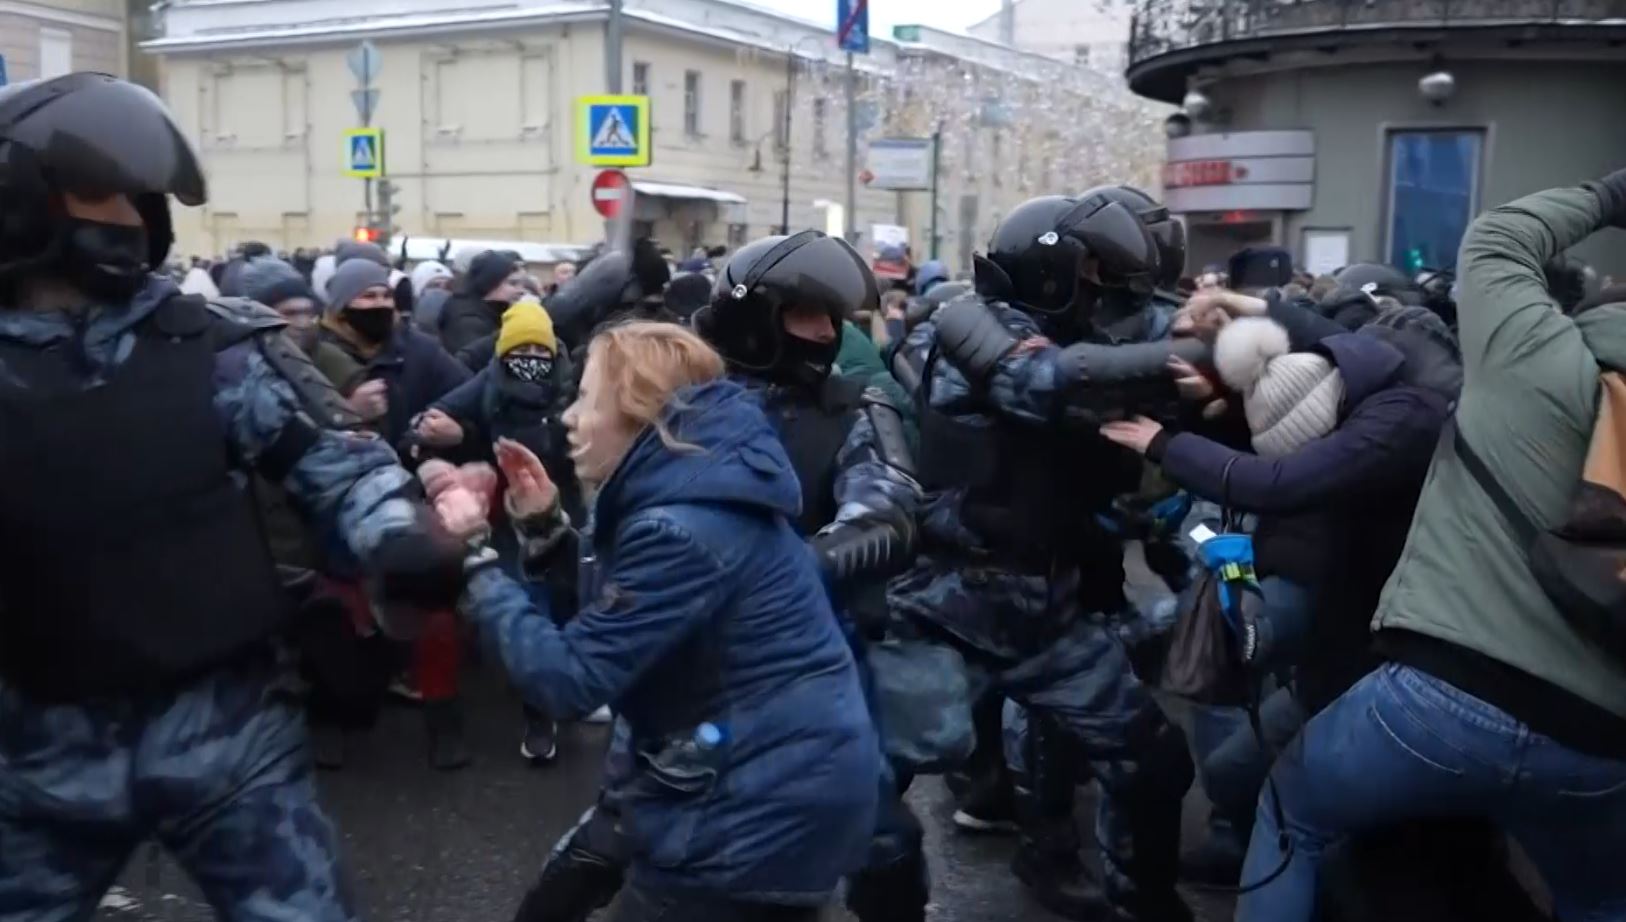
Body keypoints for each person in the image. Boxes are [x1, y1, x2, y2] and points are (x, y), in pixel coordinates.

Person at [0, 72, 470, 920]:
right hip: (33, 755)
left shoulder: (215, 349)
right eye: (104, 193)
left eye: (141, 198)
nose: (131, 219)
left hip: (223, 735)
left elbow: (344, 465)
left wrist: (400, 537)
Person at [1233, 171, 1626, 922]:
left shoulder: (1535, 353)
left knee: (1292, 812)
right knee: (1603, 896)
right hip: (1602, 739)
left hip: (1437, 702)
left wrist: (1611, 196)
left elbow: (1500, 237)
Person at [513, 232, 925, 922]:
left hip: (793, 673)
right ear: (756, 314)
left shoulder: (856, 409)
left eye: (834, 319)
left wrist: (773, 576)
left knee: (886, 839)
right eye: (806, 316)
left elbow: (888, 515)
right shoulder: (678, 393)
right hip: (672, 664)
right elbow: (621, 536)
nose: (825, 334)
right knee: (607, 838)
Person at [434, 322, 880, 922]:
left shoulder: (681, 526)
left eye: (588, 400)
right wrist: (544, 527)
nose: (569, 417)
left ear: (642, 415)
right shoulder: (693, 490)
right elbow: (635, 609)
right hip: (758, 777)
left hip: (752, 810)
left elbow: (569, 680)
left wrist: (474, 556)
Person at [887, 192, 1202, 921]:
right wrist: (1196, 353)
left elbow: (1128, 353)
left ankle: (1140, 904)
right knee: (866, 781)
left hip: (1046, 609)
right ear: (1053, 265)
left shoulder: (1072, 337)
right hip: (948, 608)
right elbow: (1045, 386)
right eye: (1092, 271)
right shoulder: (973, 324)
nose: (1102, 290)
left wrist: (1234, 328)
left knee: (1152, 765)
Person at [317, 257, 475, 769]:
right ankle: (337, 717)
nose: (381, 306)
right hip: (337, 498)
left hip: (411, 494)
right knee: (339, 613)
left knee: (434, 604)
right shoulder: (313, 356)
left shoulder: (418, 351)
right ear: (340, 307)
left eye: (386, 295)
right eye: (367, 298)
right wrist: (347, 411)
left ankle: (443, 717)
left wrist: (457, 432)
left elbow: (468, 398)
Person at [417, 300, 581, 764]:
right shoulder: (488, 383)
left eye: (538, 350)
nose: (529, 361)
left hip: (561, 508)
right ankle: (540, 710)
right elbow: (430, 421)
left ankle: (570, 688)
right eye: (519, 351)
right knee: (533, 602)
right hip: (509, 516)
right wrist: (447, 429)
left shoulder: (573, 383)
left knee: (567, 597)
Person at [440, 249, 527, 359]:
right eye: (513, 283)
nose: (522, 290)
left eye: (523, 284)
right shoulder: (467, 320)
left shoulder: (497, 313)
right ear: (489, 282)